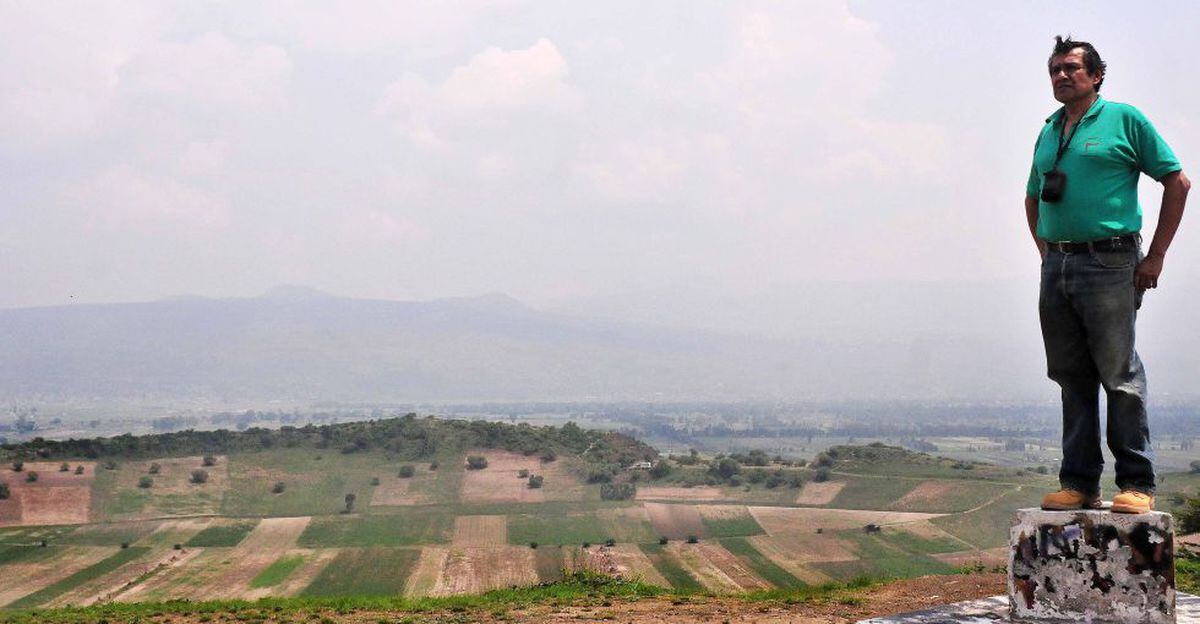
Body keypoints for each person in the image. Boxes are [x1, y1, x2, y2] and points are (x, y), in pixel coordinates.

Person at [1026, 36, 1189, 514]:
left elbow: (1176, 181)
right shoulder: (1050, 128)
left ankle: (1137, 482)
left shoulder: (1124, 119)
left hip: (1110, 260)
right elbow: (1033, 195)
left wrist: (1155, 256)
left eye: (1071, 68)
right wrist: (1048, 253)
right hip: (1057, 264)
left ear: (1096, 75)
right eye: (1054, 69)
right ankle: (1078, 483)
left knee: (1119, 373)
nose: (1061, 75)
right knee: (1070, 376)